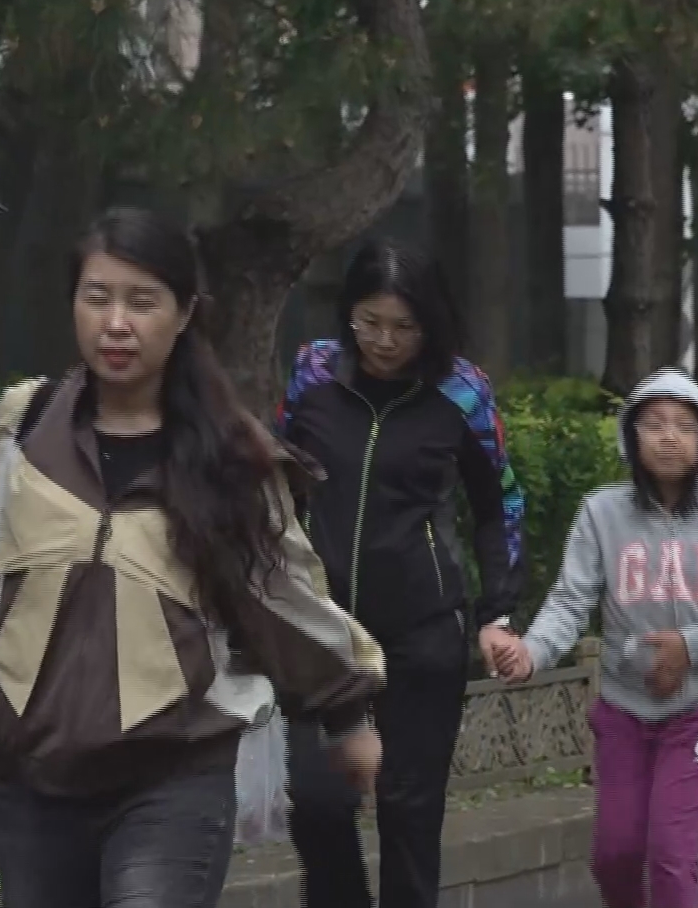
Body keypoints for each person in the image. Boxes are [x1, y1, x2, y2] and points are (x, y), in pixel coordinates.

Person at [0, 206, 387, 908]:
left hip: (174, 776)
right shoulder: (24, 428)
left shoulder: (229, 456)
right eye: (98, 297)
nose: (116, 323)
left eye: (142, 302)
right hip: (32, 779)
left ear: (184, 314)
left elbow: (285, 598)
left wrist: (348, 717)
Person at [275, 239, 526, 908]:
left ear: (431, 322)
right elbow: (277, 483)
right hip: (322, 629)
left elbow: (499, 503)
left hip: (423, 629)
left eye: (404, 326)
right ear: (348, 314)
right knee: (317, 801)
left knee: (408, 808)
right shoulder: (313, 372)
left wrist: (497, 612)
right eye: (369, 322)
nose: (384, 341)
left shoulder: (462, 392)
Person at [487, 369, 698, 908]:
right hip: (623, 711)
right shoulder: (602, 512)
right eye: (655, 424)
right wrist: (531, 652)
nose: (670, 438)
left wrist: (690, 646)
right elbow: (571, 599)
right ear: (631, 435)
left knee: (671, 853)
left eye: (686, 427)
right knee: (616, 855)